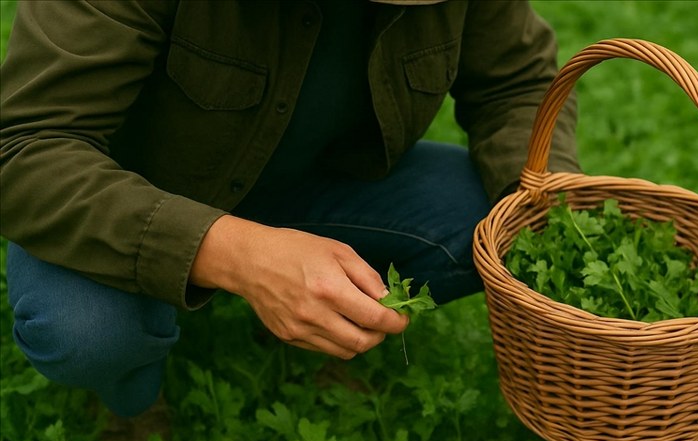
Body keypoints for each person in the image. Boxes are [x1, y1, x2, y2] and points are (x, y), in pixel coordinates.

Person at [0, 0, 578, 417]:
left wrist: (552, 216)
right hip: (127, 199)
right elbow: (24, 148)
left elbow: (515, 82)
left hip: (315, 187)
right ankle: (131, 403)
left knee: (499, 221)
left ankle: (332, 321)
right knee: (87, 331)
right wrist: (233, 254)